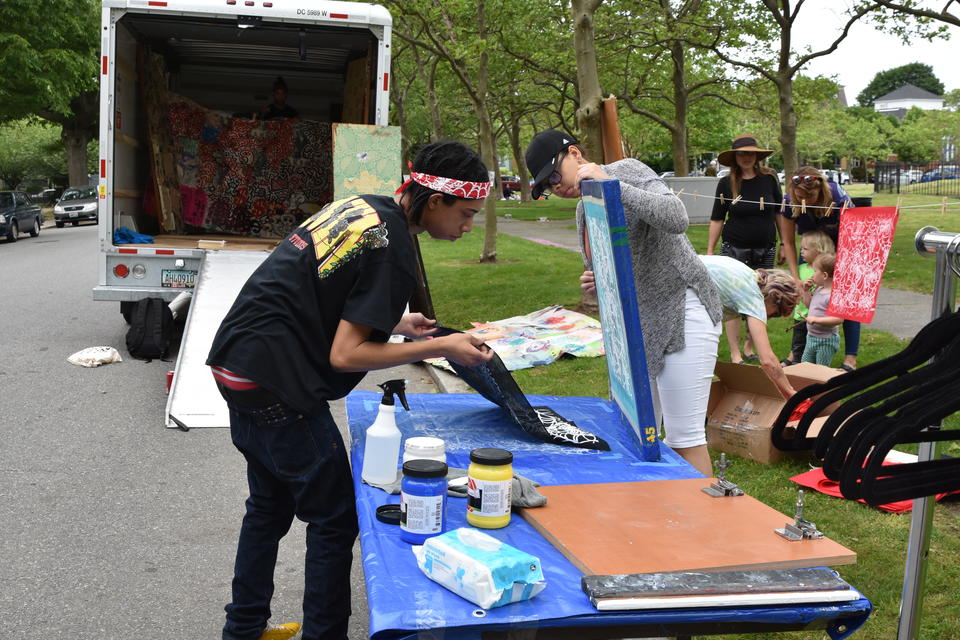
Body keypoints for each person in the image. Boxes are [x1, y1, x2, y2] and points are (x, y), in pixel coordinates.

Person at [207, 140, 495, 640]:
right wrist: (441, 347)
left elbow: (324, 286)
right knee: (336, 519)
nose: (469, 226)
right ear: (433, 200)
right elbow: (346, 355)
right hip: (277, 381)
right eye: (466, 213)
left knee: (269, 508)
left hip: (237, 363)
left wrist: (398, 322)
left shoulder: (363, 210)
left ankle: (243, 629)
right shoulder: (396, 250)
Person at [526, 130, 723, 476]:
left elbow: (676, 218)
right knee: (638, 433)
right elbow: (612, 270)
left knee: (684, 437)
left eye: (554, 175)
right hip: (638, 327)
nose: (555, 187)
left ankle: (699, 523)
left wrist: (612, 184)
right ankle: (664, 514)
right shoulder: (583, 211)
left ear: (574, 153)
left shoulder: (626, 171)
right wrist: (597, 284)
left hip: (683, 310)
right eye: (547, 186)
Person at [707, 135, 791, 365]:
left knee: (762, 297)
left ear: (757, 156)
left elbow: (778, 214)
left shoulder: (769, 179)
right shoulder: (726, 183)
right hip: (734, 249)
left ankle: (750, 344)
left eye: (750, 153)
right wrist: (710, 250)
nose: (746, 157)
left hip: (765, 248)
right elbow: (717, 218)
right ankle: (735, 352)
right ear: (735, 157)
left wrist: (784, 243)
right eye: (742, 154)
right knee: (733, 300)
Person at [779, 165, 860, 371]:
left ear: (820, 189)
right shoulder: (789, 200)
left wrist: (843, 270)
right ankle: (797, 353)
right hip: (810, 248)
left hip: (841, 247)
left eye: (811, 196)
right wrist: (796, 277)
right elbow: (788, 241)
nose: (805, 201)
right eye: (800, 197)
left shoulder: (838, 197)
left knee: (844, 302)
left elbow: (854, 236)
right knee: (807, 296)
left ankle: (850, 357)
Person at [698, 255, 800, 399]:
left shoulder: (747, 275)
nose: (770, 317)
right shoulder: (752, 296)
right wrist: (791, 392)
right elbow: (767, 360)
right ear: (774, 296)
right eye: (776, 314)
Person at [781, 230, 835, 366]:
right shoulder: (801, 268)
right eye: (801, 249)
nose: (801, 252)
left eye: (805, 249)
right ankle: (798, 366)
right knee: (799, 345)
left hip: (818, 324)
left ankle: (807, 370)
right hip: (801, 317)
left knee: (813, 350)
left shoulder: (823, 277)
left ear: (818, 250)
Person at [802, 253, 843, 365]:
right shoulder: (818, 289)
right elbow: (808, 305)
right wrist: (805, 291)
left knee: (820, 369)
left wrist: (816, 320)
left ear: (824, 275)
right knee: (804, 366)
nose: (812, 274)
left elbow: (838, 319)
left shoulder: (833, 296)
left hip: (826, 340)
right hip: (811, 337)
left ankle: (822, 383)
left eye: (815, 271)